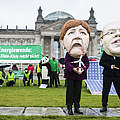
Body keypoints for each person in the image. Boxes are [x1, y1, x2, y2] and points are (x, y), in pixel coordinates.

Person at [59, 20, 90, 115]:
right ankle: (69, 107)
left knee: (78, 92)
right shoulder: (68, 54)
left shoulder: (83, 54)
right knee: (70, 92)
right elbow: (67, 62)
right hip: (71, 75)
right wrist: (74, 69)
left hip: (79, 75)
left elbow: (87, 63)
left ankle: (77, 107)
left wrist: (83, 69)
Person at [99, 21, 120, 112]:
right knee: (105, 90)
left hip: (118, 74)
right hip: (108, 74)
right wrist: (111, 66)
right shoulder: (106, 52)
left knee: (119, 90)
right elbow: (101, 63)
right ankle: (104, 106)